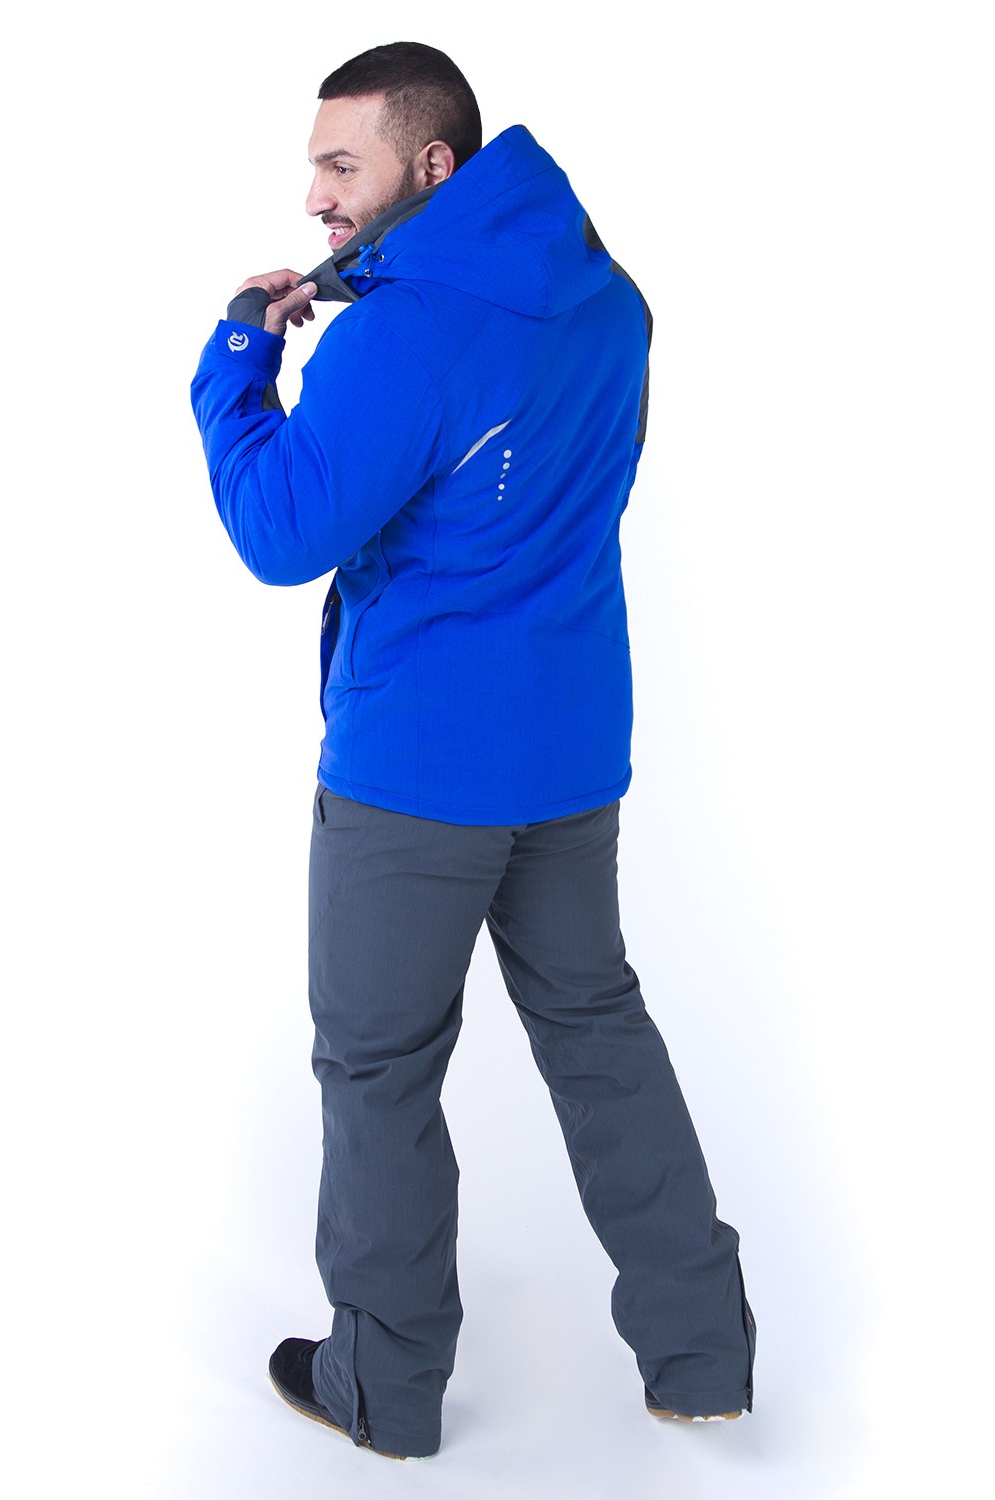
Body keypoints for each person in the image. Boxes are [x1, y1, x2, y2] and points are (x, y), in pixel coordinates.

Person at [191, 40, 755, 1462]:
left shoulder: (404, 335)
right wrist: (366, 294)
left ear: (431, 164)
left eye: (341, 164)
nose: (315, 198)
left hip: (416, 776)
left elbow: (282, 530)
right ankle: (701, 1354)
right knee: (597, 1029)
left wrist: (239, 360)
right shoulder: (609, 299)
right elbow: (545, 468)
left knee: (378, 1068)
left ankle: (383, 1388)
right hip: (569, 751)